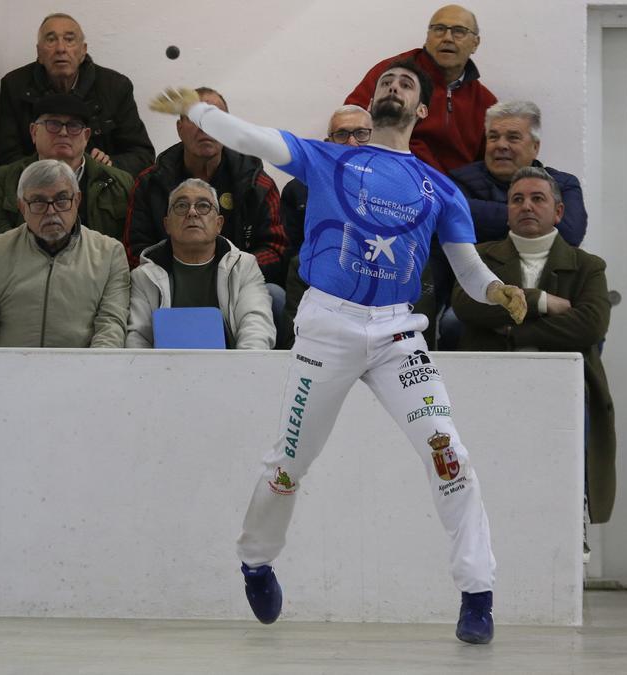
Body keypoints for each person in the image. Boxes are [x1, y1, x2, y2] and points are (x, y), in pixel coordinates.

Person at [149, 59, 528, 645]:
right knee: (288, 464)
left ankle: (477, 592)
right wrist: (199, 112)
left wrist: (499, 290)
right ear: (372, 103)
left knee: (447, 452)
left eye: (405, 84)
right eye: (385, 82)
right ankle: (256, 559)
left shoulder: (441, 188)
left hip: (400, 332)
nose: (394, 87)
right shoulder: (330, 158)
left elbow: (469, 271)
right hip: (328, 326)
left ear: (422, 110)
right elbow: (254, 138)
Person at [450, 166, 615, 557]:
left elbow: (589, 325)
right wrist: (541, 302)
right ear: (507, 211)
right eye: (517, 199)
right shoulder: (480, 259)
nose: (526, 206)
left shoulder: (588, 265)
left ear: (558, 212)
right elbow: (467, 305)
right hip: (491, 386)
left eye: (537, 198)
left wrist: (514, 330)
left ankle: (575, 521)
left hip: (564, 392)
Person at [123, 88, 288, 287]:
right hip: (169, 286)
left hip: (238, 286)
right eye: (195, 117)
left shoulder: (256, 184)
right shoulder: (150, 183)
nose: (205, 126)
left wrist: (226, 275)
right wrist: (186, 274)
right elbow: (135, 251)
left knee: (275, 295)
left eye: (214, 118)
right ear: (179, 128)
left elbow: (276, 248)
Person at [0, 159, 129, 348]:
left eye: (61, 200)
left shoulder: (109, 254)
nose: (51, 211)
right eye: (38, 202)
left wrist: (89, 375)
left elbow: (111, 328)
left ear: (77, 200)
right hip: (8, 373)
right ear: (22, 207)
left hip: (81, 373)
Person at [344, 5, 496, 174]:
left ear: (475, 43)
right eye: (439, 29)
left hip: (452, 192)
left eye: (459, 31)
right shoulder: (389, 75)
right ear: (427, 37)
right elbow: (348, 124)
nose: (447, 38)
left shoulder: (486, 104)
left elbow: (489, 167)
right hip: (388, 174)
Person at [0, 13, 154, 175]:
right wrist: (48, 170)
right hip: (38, 187)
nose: (61, 49)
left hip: (99, 187)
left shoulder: (115, 87)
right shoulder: (15, 86)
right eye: (51, 40)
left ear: (83, 51)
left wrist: (108, 164)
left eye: (69, 40)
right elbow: (7, 157)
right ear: (39, 53)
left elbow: (143, 156)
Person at [126, 178, 274, 349]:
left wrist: (241, 372)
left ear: (219, 224)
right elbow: (138, 338)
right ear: (167, 224)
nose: (192, 212)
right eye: (181, 206)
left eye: (203, 206)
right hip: (163, 369)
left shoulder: (243, 267)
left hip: (232, 370)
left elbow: (256, 328)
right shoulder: (144, 276)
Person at [281, 105, 374, 346]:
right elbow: (292, 252)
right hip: (318, 283)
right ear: (327, 142)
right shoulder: (298, 189)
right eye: (342, 135)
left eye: (362, 134)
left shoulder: (397, 189)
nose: (352, 143)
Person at [0, 93, 133, 240]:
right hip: (26, 264)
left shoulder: (119, 182)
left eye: (73, 126)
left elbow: (129, 241)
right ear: (34, 132)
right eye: (53, 124)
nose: (63, 132)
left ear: (86, 136)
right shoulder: (6, 178)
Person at [449, 100, 587, 246]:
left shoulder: (564, 184)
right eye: (493, 137)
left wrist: (488, 216)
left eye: (513, 137)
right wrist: (536, 217)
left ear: (535, 147)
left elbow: (570, 234)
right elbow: (454, 223)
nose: (501, 145)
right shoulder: (459, 180)